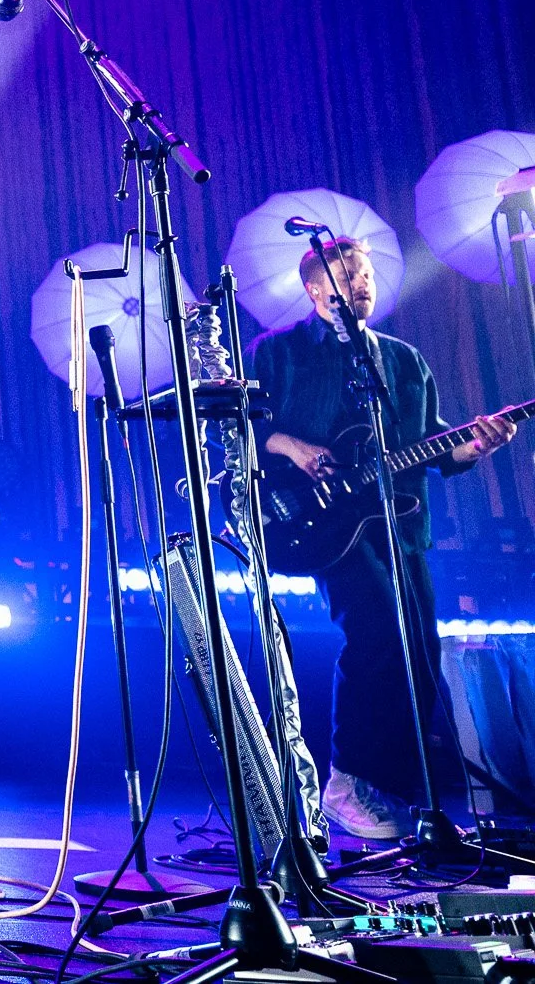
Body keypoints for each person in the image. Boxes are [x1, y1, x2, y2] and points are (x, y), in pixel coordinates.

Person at [251, 236, 516, 840]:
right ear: (317, 290)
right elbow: (244, 422)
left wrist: (475, 444)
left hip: (399, 523)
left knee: (420, 654)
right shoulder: (282, 352)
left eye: (367, 274)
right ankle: (345, 780)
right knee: (373, 637)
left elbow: (436, 440)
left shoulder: (400, 360)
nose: (362, 284)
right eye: (348, 275)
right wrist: (294, 446)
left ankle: (395, 790)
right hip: (317, 518)